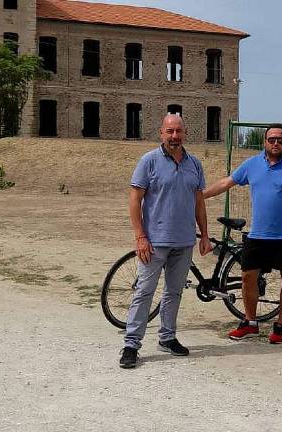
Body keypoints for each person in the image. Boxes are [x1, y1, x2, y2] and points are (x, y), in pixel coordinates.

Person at [203, 124, 282, 343]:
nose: (276, 143)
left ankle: (280, 326)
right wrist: (199, 196)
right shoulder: (252, 164)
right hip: (258, 234)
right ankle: (250, 322)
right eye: (272, 139)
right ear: (264, 142)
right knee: (247, 276)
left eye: (280, 140)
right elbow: (228, 182)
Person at [119, 114, 212, 369]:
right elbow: (135, 200)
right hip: (154, 242)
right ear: (161, 132)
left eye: (178, 131)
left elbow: (199, 202)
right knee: (144, 292)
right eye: (169, 131)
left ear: (185, 132)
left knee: (174, 292)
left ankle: (167, 337)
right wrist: (140, 237)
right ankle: (131, 345)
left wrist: (204, 235)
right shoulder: (149, 161)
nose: (174, 136)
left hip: (184, 242)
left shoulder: (194, 164)